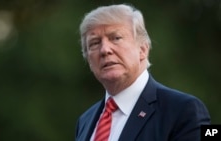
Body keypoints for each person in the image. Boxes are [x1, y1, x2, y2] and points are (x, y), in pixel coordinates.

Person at [75, 4, 211, 141]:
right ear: (88, 59)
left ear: (143, 49)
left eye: (116, 38)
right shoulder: (85, 121)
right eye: (94, 43)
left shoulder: (183, 110)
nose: (104, 50)